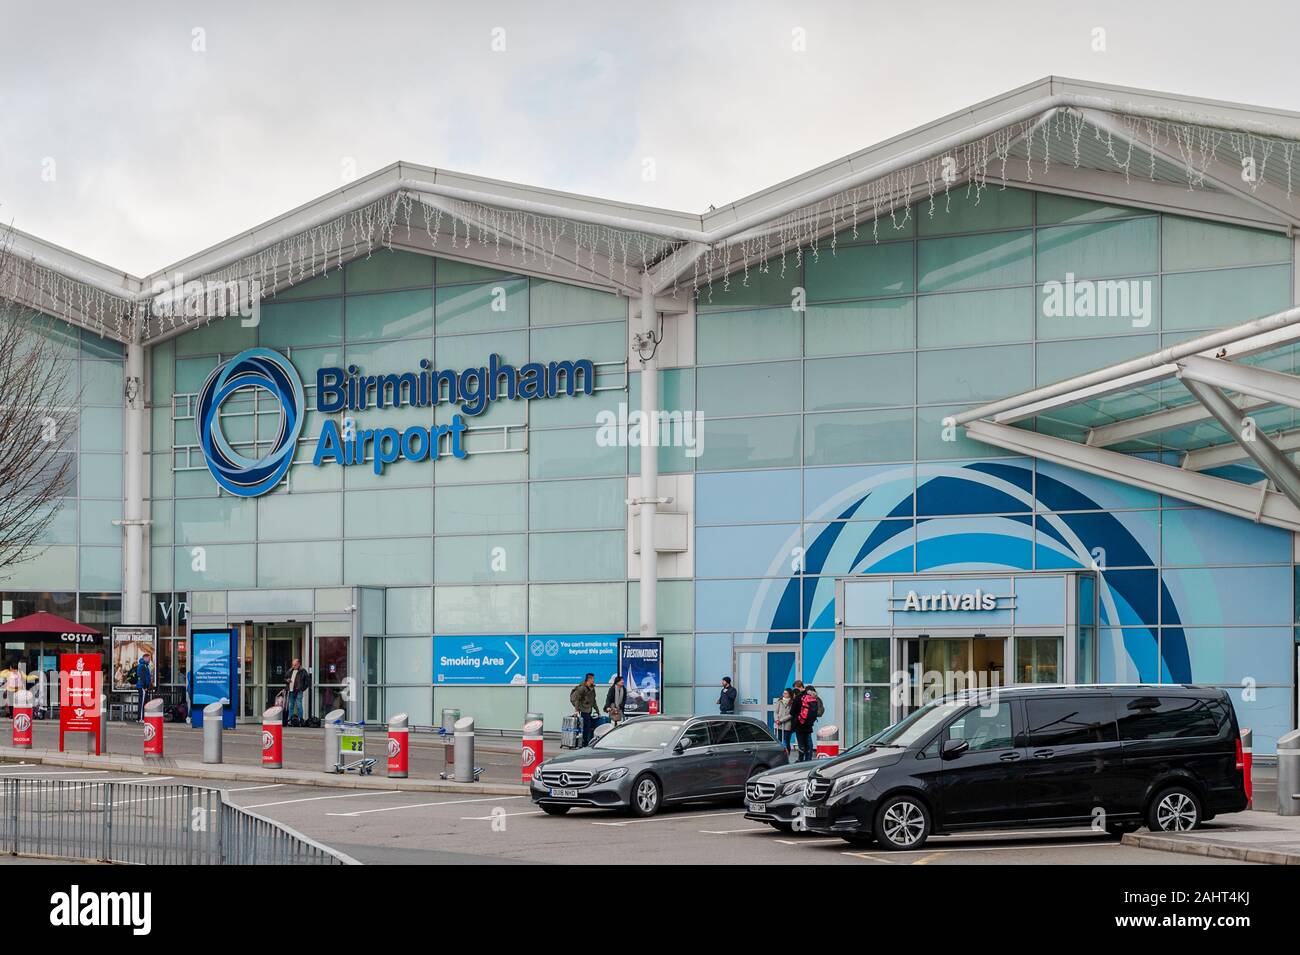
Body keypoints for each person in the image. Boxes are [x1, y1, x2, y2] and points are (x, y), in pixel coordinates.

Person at [792, 684, 823, 762]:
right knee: (808, 742)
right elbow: (819, 712)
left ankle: (801, 759)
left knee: (801, 743)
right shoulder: (815, 699)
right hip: (808, 725)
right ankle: (808, 759)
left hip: (799, 724)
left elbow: (792, 712)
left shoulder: (799, 698)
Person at [570, 672, 598, 745]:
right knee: (585, 726)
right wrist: (576, 710)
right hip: (582, 709)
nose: (593, 680)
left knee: (587, 726)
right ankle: (584, 742)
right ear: (589, 679)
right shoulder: (582, 688)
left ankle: (585, 741)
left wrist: (597, 710)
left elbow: (593, 700)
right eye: (592, 679)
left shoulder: (592, 688)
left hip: (588, 709)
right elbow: (577, 699)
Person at [284, 658, 311, 724]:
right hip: (291, 690)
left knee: (299, 706)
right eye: (293, 665)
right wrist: (287, 680)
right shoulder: (290, 670)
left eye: (295, 665)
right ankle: (290, 720)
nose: (293, 666)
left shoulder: (303, 671)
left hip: (298, 691)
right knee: (291, 706)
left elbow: (307, 682)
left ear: (299, 664)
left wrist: (302, 689)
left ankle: (300, 720)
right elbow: (285, 678)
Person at [775, 688, 794, 754]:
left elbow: (791, 714)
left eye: (786, 693)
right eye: (783, 693)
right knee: (779, 741)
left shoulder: (792, 702)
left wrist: (781, 720)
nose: (784, 694)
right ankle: (779, 755)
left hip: (787, 725)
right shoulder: (780, 701)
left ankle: (788, 754)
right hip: (778, 724)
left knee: (787, 741)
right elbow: (775, 712)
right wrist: (777, 720)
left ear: (789, 694)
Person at [135, 651, 153, 722]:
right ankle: (140, 718)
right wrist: (145, 686)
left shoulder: (144, 665)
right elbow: (142, 677)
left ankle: (140, 717)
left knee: (142, 702)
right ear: (145, 658)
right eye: (148, 658)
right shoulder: (142, 666)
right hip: (142, 687)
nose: (149, 660)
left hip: (142, 686)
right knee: (142, 702)